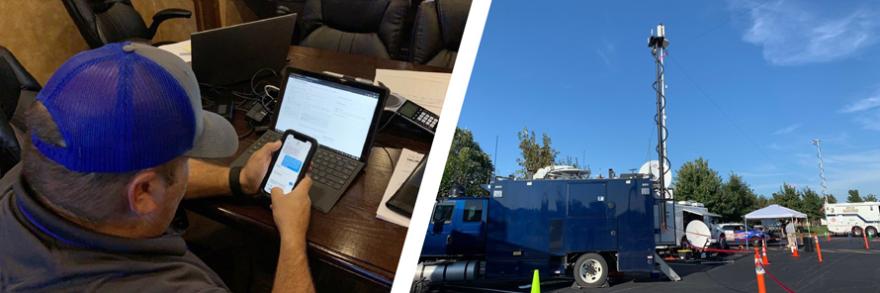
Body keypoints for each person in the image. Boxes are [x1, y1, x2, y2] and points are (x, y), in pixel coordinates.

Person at [0, 42, 313, 292]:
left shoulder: (22, 181)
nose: (190, 168)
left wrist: (239, 179)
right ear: (144, 192)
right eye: (184, 162)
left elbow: (137, 179)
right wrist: (292, 238)